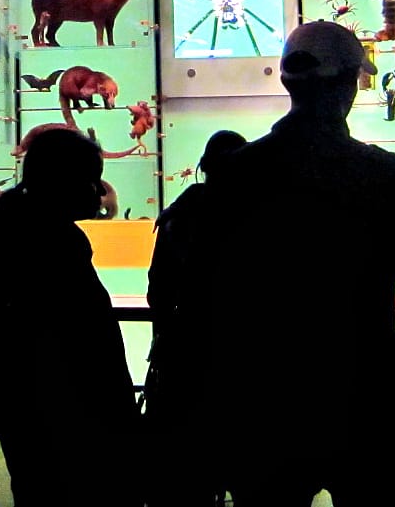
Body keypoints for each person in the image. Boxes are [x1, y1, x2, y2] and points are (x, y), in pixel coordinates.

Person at [205, 21, 395, 506]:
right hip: (366, 404)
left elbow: (207, 300)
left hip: (265, 407)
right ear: (349, 83)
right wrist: (394, 373)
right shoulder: (388, 176)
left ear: (287, 81)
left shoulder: (236, 175)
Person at [0, 127, 138, 507]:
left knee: (33, 487)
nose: (97, 191)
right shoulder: (53, 240)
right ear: (64, 182)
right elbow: (85, 338)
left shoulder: (16, 224)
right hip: (60, 402)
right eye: (90, 180)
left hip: (22, 397)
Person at [144, 129, 246, 507]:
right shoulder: (254, 215)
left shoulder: (179, 214)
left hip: (183, 348)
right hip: (241, 353)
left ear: (205, 166)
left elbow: (158, 289)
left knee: (186, 468)